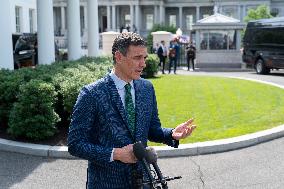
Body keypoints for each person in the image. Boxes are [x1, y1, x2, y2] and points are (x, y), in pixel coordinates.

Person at [68, 32, 196, 189]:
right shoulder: (91, 93)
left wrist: (171, 134)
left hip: (143, 182)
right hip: (106, 184)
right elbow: (75, 144)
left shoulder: (147, 88)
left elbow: (152, 130)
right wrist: (116, 154)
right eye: (137, 58)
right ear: (119, 57)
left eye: (145, 58)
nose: (143, 64)